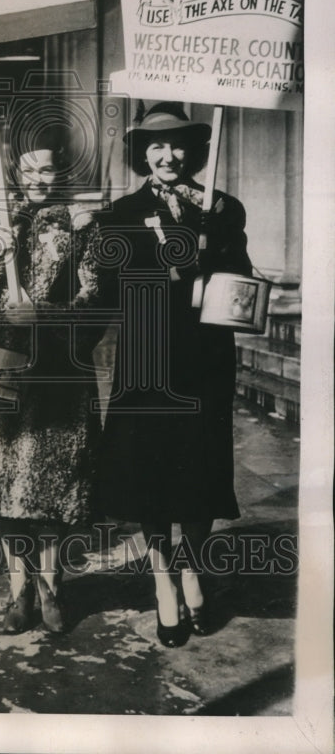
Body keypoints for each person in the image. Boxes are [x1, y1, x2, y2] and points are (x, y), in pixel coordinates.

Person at [0, 128, 108, 634]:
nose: (37, 178)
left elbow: (97, 300)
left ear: (63, 173)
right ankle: (18, 593)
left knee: (50, 485)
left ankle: (52, 586)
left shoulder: (80, 224)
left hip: (56, 368)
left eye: (48, 169)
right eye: (28, 169)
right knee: (2, 484)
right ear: (14, 171)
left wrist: (49, 319)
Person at [98, 102, 253, 647]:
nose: (168, 155)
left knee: (203, 467)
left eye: (178, 144)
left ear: (194, 150)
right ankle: (163, 579)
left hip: (207, 355)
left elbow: (245, 278)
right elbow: (107, 290)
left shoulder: (223, 208)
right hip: (147, 357)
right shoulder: (119, 213)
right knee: (152, 472)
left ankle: (192, 569)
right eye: (156, 146)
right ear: (142, 153)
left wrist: (220, 265)